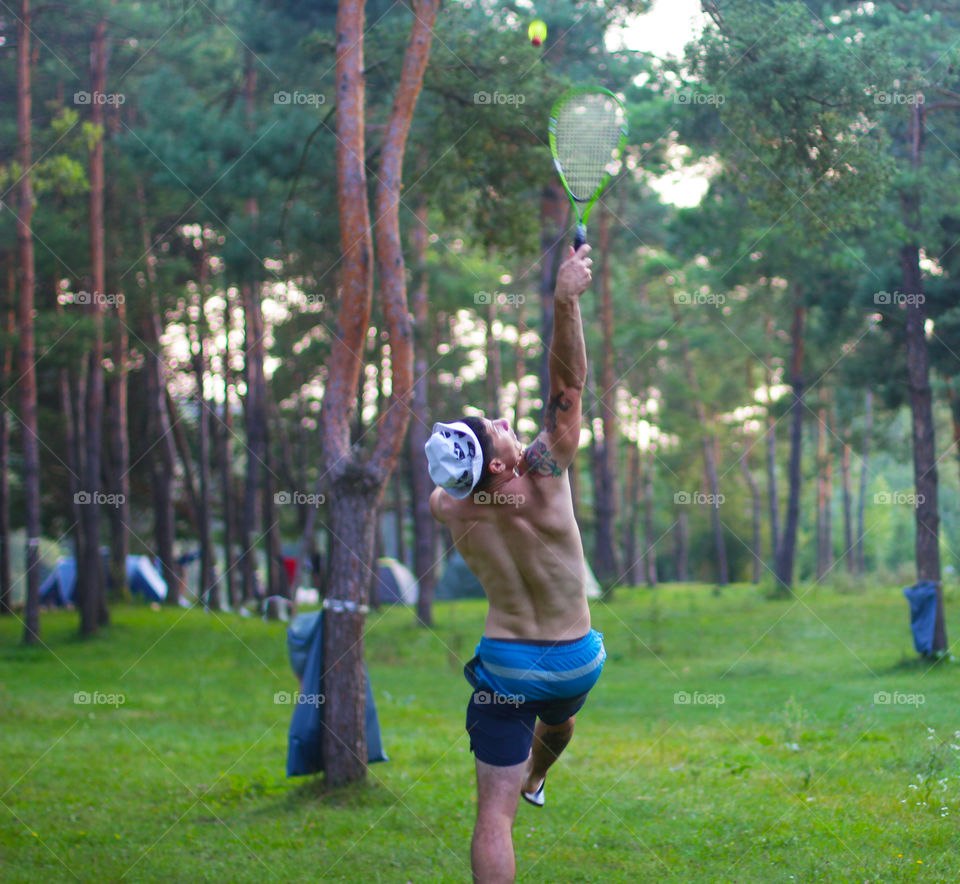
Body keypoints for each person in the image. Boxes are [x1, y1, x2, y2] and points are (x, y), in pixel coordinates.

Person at [425, 244, 605, 884]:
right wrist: (565, 300)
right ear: (500, 465)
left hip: (505, 665)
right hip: (575, 657)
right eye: (494, 429)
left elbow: (444, 490)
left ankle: (523, 779)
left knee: (491, 820)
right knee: (561, 718)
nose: (504, 420)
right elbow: (568, 384)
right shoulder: (546, 477)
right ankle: (538, 772)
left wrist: (472, 472)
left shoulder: (452, 509)